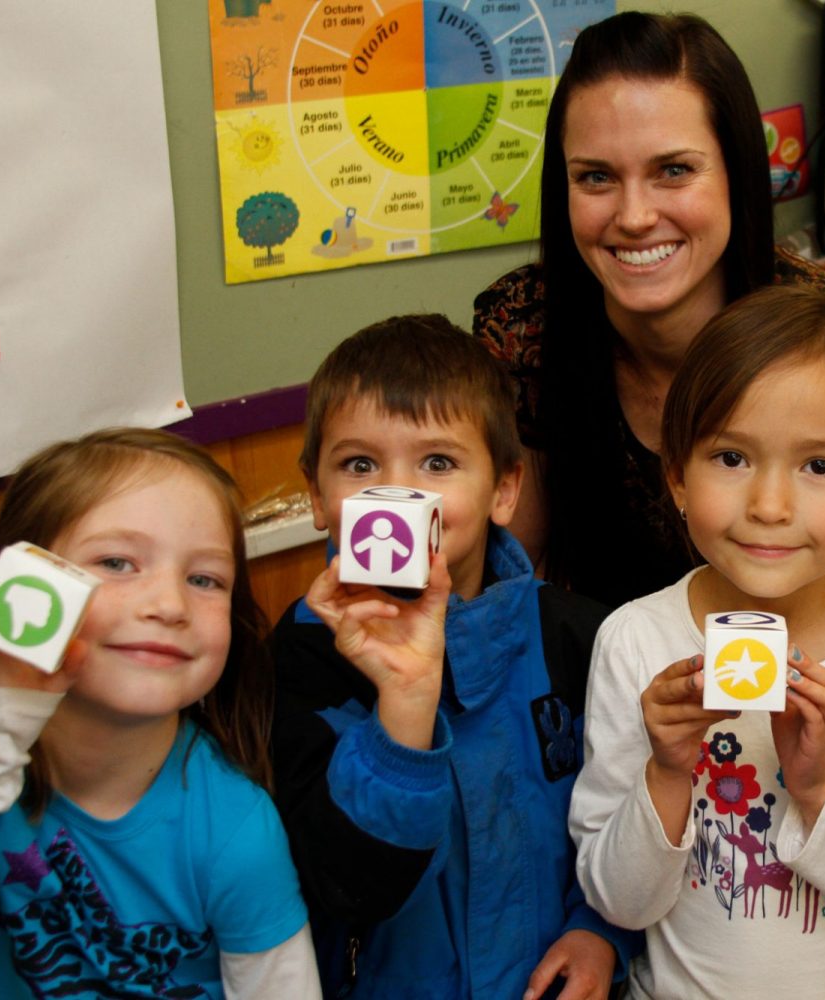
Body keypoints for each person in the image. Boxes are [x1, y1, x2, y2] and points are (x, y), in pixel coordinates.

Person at [569, 286, 825, 998]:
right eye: (731, 457)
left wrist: (819, 789)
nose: (769, 506)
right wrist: (668, 770)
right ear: (677, 476)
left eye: (819, 466)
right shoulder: (636, 641)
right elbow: (619, 901)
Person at [474, 10, 825, 609]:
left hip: (799, 684)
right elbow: (500, 592)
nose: (634, 216)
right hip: (592, 679)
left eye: (675, 171)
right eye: (597, 177)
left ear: (736, 172)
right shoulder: (525, 326)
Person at [269, 315, 638, 999]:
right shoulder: (302, 658)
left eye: (437, 463)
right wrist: (404, 708)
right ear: (318, 496)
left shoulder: (576, 637)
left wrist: (601, 931)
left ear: (503, 491)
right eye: (359, 465)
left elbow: (623, 819)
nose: (399, 496)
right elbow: (345, 885)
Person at [0, 428, 319, 998]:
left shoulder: (234, 830)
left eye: (204, 579)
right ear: (19, 584)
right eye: (117, 562)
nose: (169, 605)